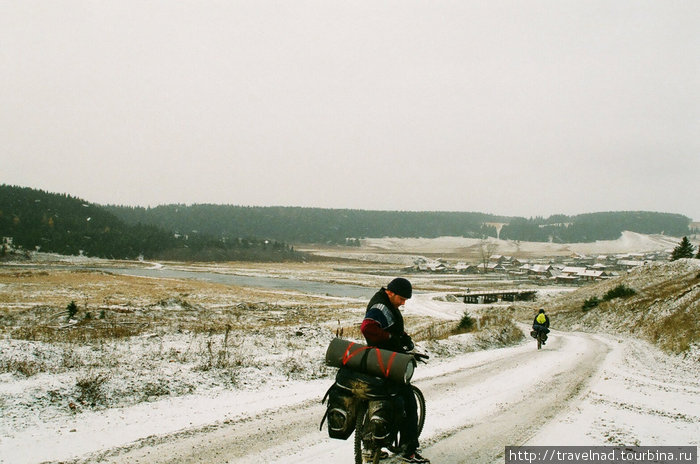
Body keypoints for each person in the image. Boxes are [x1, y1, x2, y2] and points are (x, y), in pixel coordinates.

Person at [361, 277, 429, 464]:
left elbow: (390, 327)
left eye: (405, 300)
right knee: (408, 401)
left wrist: (403, 337)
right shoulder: (380, 307)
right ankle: (409, 451)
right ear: (390, 292)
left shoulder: (385, 303)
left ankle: (370, 447)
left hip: (377, 359)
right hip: (385, 361)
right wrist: (393, 339)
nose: (403, 303)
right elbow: (367, 328)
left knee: (378, 400)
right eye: (401, 298)